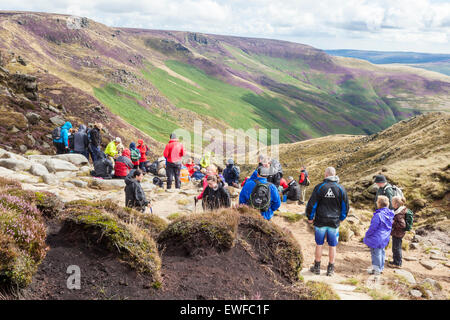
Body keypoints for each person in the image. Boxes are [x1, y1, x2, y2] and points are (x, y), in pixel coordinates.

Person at [306, 167, 349, 277]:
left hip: (320, 220)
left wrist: (310, 217)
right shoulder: (341, 188)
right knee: (332, 245)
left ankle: (317, 267)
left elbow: (312, 204)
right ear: (335, 175)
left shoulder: (320, 187)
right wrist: (341, 218)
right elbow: (345, 206)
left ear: (326, 175)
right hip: (334, 222)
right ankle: (330, 269)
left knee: (319, 244)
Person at [363, 195, 394, 275]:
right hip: (385, 237)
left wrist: (367, 235)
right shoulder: (390, 214)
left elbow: (373, 228)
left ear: (379, 204)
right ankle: (380, 268)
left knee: (375, 253)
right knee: (382, 252)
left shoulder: (378, 215)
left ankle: (376, 270)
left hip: (376, 238)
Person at [388, 196, 413, 269]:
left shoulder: (399, 213)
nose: (391, 204)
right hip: (398, 232)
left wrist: (393, 222)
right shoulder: (400, 210)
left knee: (396, 248)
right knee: (396, 247)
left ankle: (398, 263)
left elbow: (402, 225)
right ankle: (395, 261)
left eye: (392, 202)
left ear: (396, 204)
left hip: (398, 233)